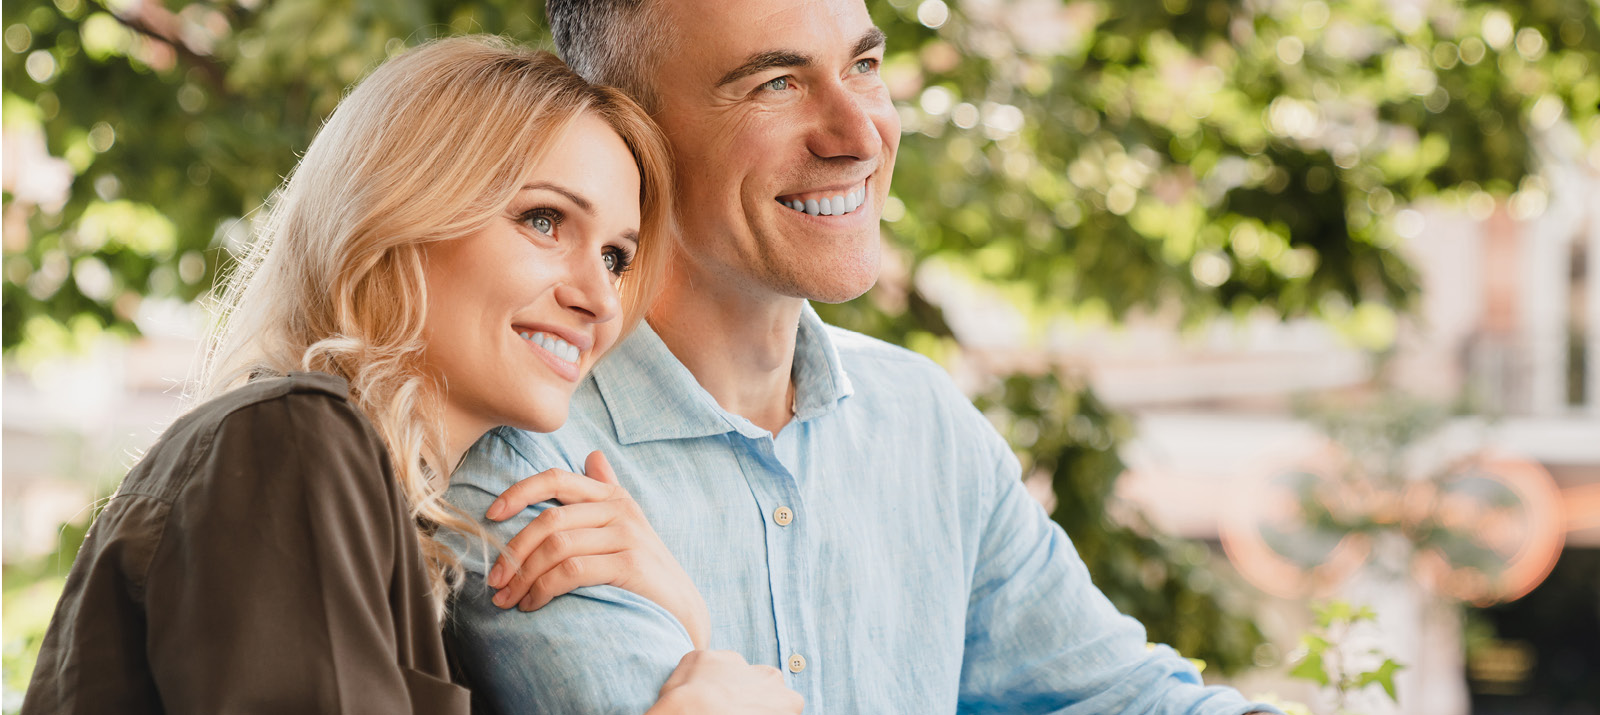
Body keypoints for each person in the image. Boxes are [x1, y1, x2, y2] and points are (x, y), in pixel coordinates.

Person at [443, 2, 1286, 714]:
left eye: (866, 65)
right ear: (631, 137)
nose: (859, 135)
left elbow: (1124, 695)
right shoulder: (524, 460)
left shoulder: (920, 415)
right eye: (776, 84)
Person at [21, 36, 802, 715]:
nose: (598, 297)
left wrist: (676, 620)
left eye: (616, 256)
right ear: (400, 212)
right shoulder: (292, 438)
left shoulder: (398, 527)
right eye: (543, 220)